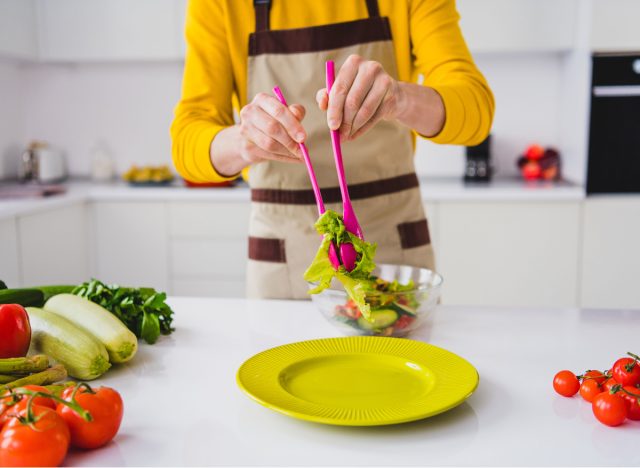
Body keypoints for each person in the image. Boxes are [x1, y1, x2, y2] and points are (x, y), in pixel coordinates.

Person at [171, 0, 494, 299]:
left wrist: (401, 97)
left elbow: (476, 112)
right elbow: (187, 143)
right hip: (282, 256)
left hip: (395, 247)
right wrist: (246, 139)